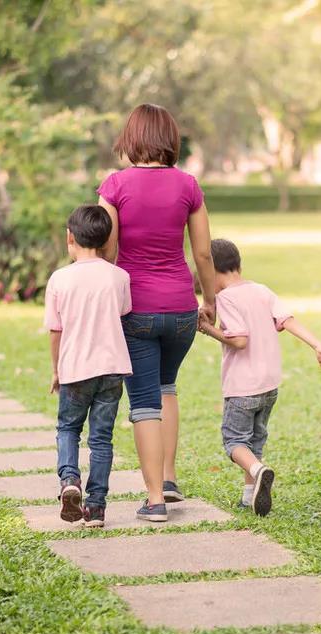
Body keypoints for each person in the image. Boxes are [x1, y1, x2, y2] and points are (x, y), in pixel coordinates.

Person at [97, 103, 216, 522]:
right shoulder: (188, 185)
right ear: (170, 140)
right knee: (168, 387)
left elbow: (108, 251)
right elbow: (202, 251)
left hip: (137, 310)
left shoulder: (114, 186)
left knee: (144, 401)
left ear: (131, 140)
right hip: (182, 310)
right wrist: (211, 300)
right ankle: (168, 477)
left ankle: (154, 500)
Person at [197, 239, 321, 516]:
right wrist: (318, 345)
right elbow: (288, 320)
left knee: (235, 442)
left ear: (212, 270)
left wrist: (206, 328)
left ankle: (258, 469)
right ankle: (249, 496)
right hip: (270, 386)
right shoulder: (262, 290)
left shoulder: (226, 298)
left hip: (242, 387)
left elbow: (238, 341)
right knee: (255, 442)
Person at [44, 205, 132, 528]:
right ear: (106, 239)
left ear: (70, 238)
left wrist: (56, 369)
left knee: (68, 428)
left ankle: (69, 480)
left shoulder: (59, 279)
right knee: (101, 439)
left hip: (75, 369)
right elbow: (123, 314)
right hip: (112, 369)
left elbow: (56, 330)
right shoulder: (119, 276)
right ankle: (96, 508)